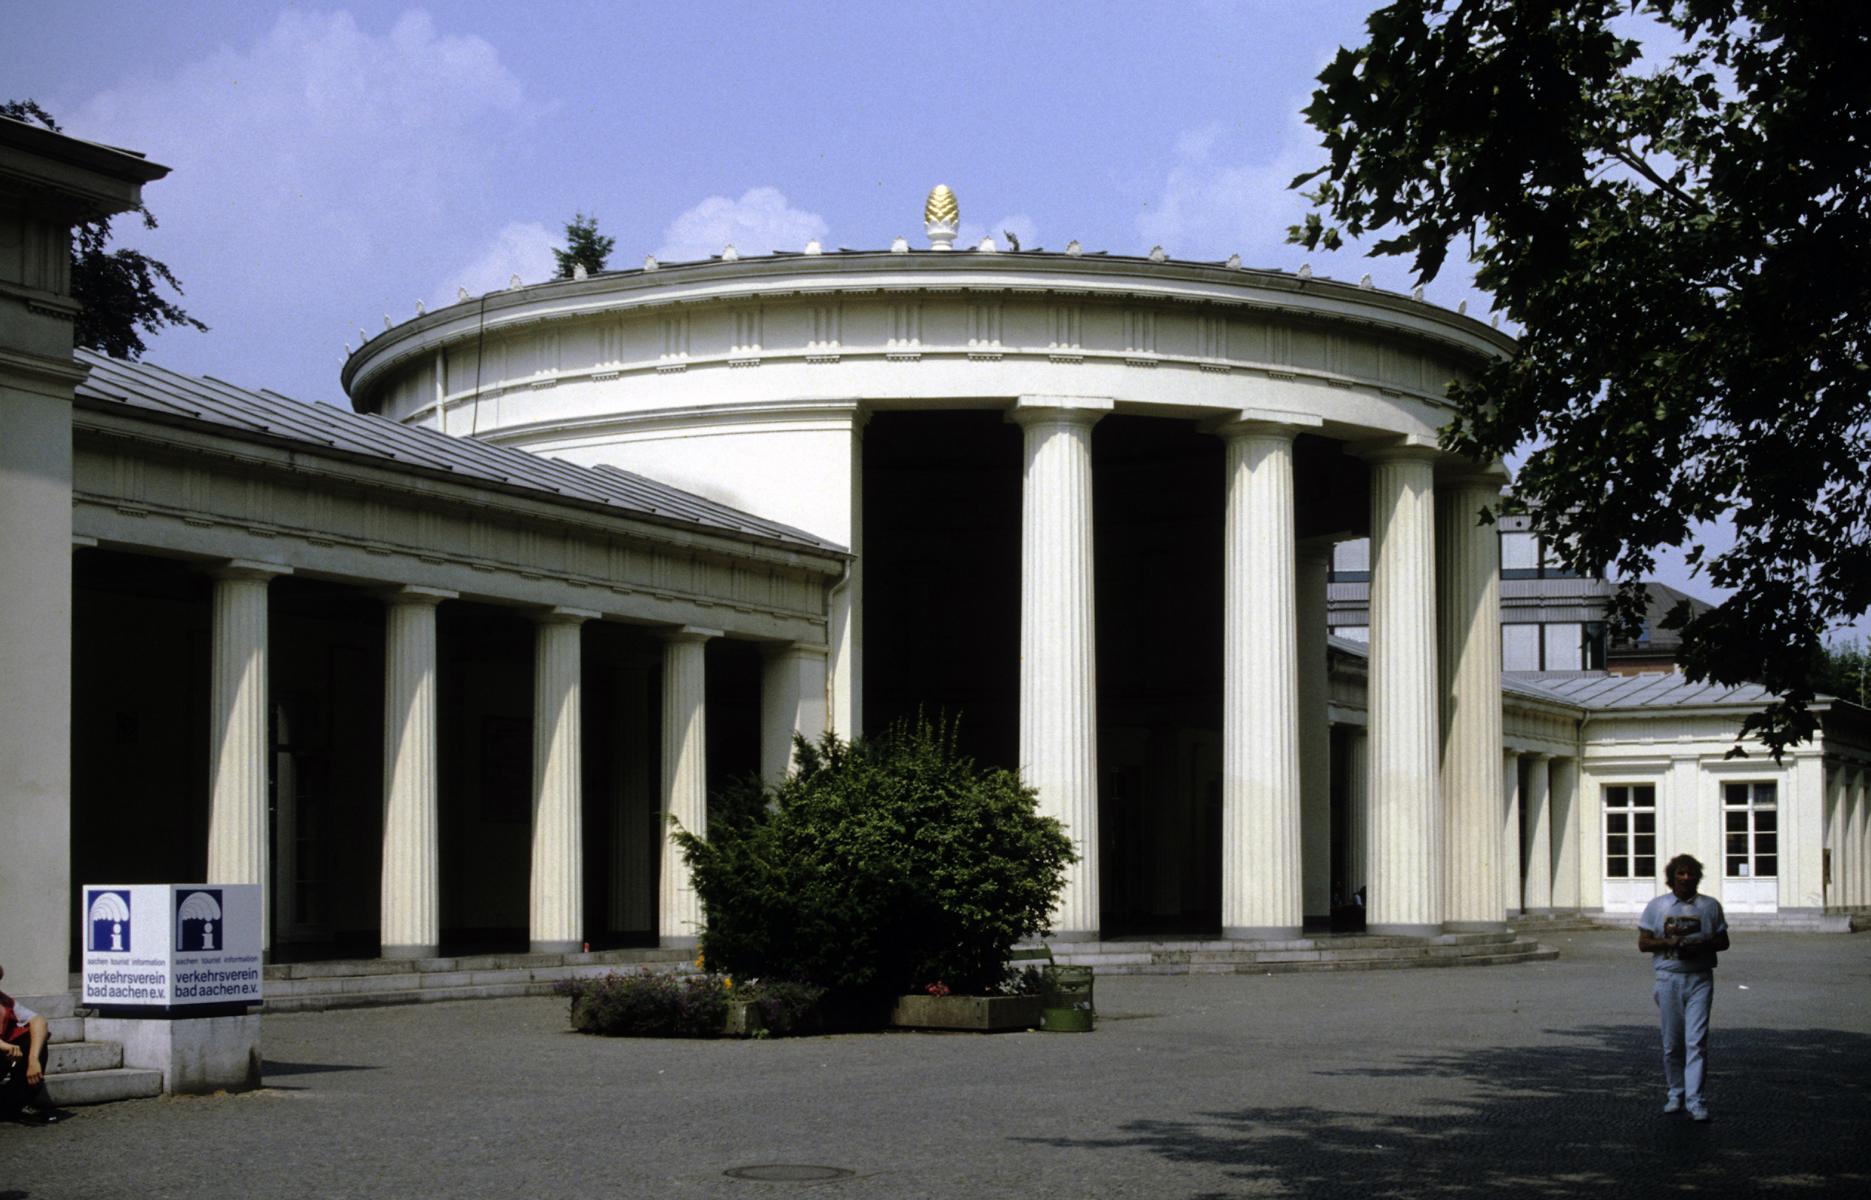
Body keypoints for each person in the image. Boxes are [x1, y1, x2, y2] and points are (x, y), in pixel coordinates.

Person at [1637, 854, 1730, 1122]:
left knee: (1696, 1041)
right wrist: (1669, 943)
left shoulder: (1710, 906)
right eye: (1680, 873)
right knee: (1671, 1042)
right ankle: (1675, 1092)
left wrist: (1703, 944)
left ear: (1697, 877)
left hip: (1700, 977)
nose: (1686, 878)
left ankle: (1696, 1099)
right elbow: (1643, 943)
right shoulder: (1657, 906)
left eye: (1691, 874)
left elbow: (1724, 941)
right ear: (1672, 877)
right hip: (1669, 978)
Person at [1, 961, 61, 1125]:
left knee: (32, 1039)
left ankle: (15, 1103)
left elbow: (38, 1020)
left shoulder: (5, 1002)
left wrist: (33, 1059)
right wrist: (5, 1046)